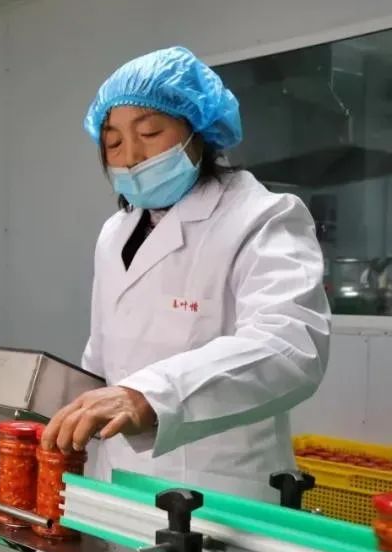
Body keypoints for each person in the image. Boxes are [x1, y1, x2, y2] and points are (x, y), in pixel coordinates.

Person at [40, 47, 331, 501]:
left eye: (149, 133)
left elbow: (291, 345)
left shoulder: (262, 217)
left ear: (199, 131)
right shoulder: (115, 232)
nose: (131, 157)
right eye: (113, 143)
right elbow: (104, 355)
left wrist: (148, 395)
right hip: (115, 483)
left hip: (217, 492)